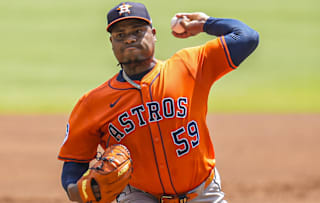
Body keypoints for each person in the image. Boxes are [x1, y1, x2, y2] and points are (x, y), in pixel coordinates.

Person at [58, 1, 259, 202]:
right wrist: (78, 191)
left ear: (153, 34)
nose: (129, 39)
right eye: (120, 35)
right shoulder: (93, 104)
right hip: (138, 196)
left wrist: (206, 23)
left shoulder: (189, 66)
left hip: (202, 193)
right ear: (112, 43)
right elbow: (73, 165)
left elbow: (247, 38)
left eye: (137, 31)